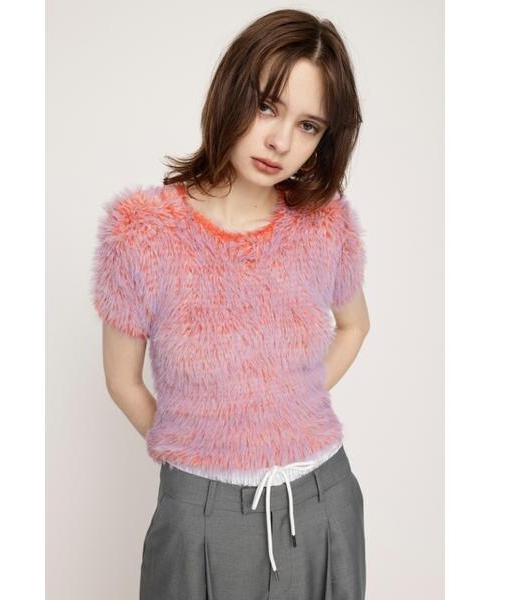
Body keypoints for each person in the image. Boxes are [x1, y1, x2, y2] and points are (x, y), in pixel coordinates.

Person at [91, 8, 370, 600]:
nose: (280, 142)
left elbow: (354, 326)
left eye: (308, 125)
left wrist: (284, 402)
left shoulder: (324, 225)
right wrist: (197, 445)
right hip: (199, 506)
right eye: (267, 106)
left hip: (323, 500)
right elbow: (123, 381)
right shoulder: (142, 232)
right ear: (230, 91)